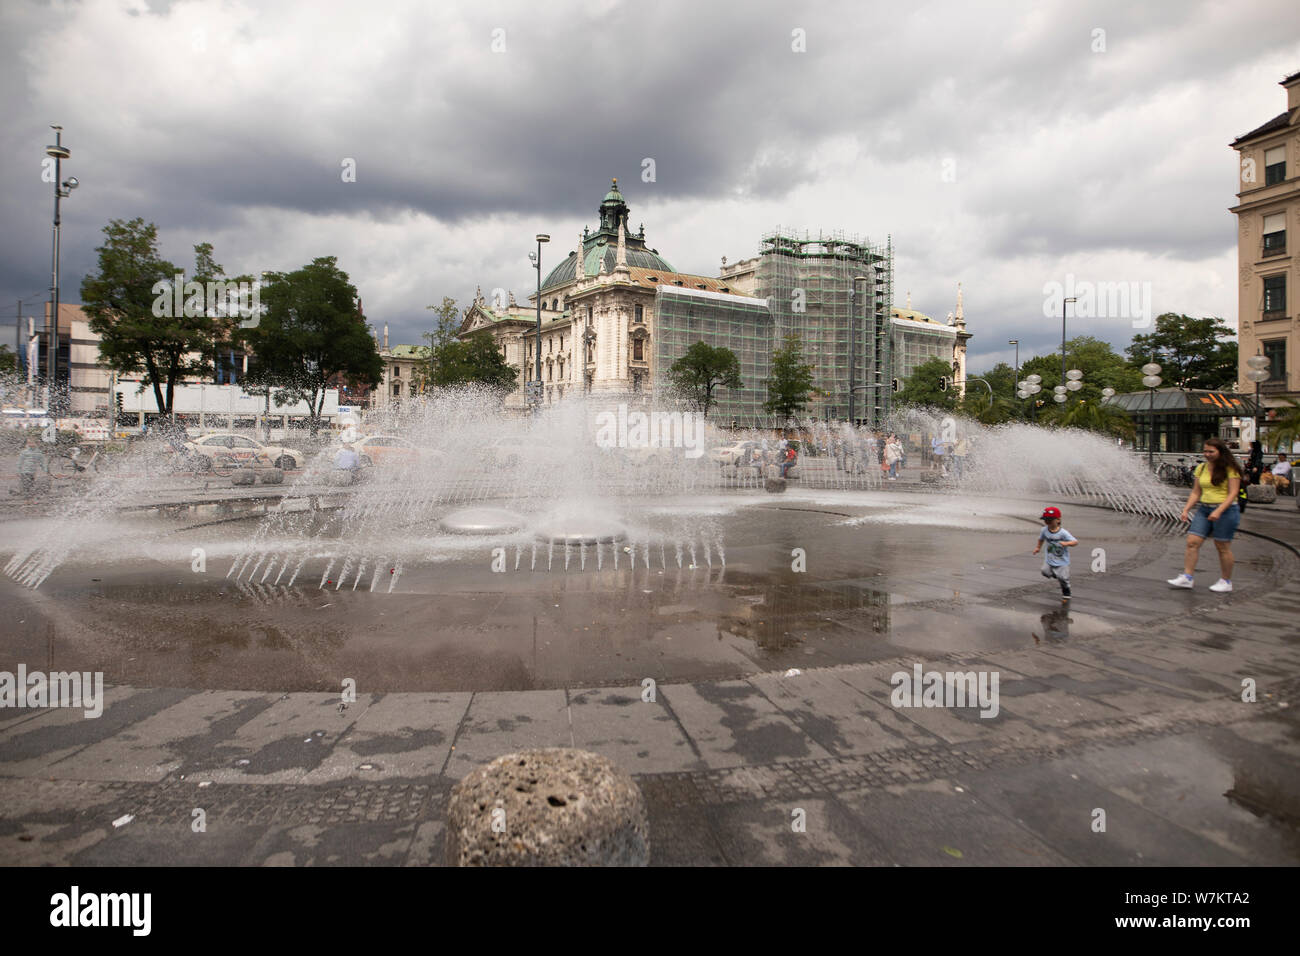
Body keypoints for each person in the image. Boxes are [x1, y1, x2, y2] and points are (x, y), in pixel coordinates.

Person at [1168, 437, 1242, 593]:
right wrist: (1186, 509)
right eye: (1205, 451)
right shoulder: (1201, 468)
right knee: (1192, 542)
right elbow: (1196, 492)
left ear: (1220, 452)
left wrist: (1219, 510)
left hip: (1227, 510)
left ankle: (1226, 581)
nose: (1207, 454)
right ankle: (1187, 577)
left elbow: (1233, 493)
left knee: (1222, 546)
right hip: (1204, 509)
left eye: (1211, 451)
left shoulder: (1230, 469)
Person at [1033, 506, 1078, 602]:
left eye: (1049, 520)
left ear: (1058, 520)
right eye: (1045, 520)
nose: (1047, 522)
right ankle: (1057, 575)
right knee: (1044, 572)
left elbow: (1075, 542)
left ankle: (1066, 592)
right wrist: (1038, 547)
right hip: (1049, 558)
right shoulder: (1044, 530)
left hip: (1062, 560)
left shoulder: (1063, 533)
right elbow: (1041, 539)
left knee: (1063, 578)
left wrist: (1066, 543)